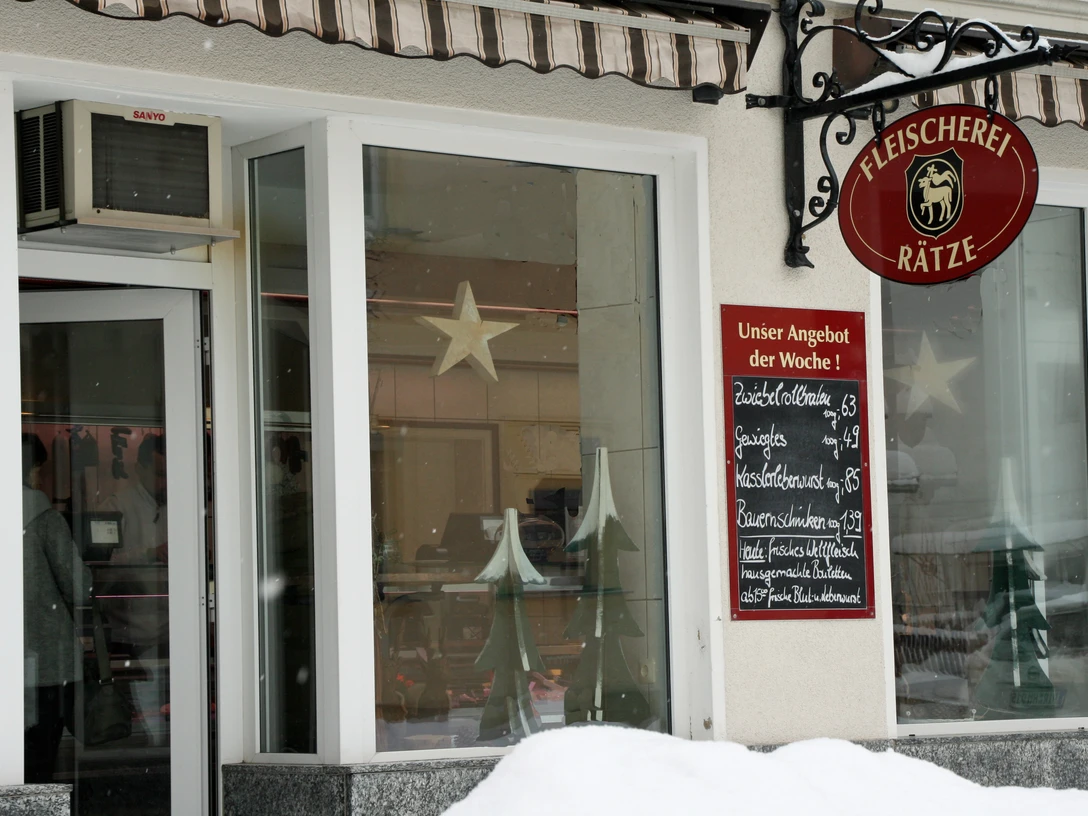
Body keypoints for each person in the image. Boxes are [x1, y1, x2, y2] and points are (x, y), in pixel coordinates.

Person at [22, 432, 91, 782]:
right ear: (31, 469)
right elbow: (80, 587)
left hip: (13, 660)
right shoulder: (45, 518)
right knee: (40, 758)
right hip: (48, 660)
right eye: (39, 469)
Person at [102, 432, 169, 745]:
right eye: (158, 473)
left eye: (168, 474)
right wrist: (151, 552)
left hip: (170, 624)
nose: (164, 482)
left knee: (166, 698)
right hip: (129, 626)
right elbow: (104, 564)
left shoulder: (181, 506)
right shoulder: (117, 505)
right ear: (139, 468)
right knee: (140, 700)